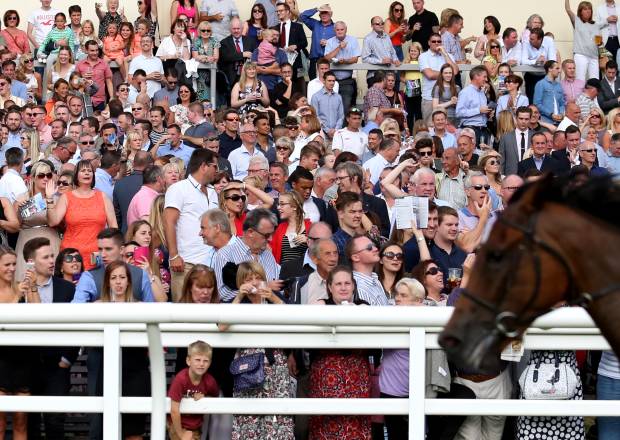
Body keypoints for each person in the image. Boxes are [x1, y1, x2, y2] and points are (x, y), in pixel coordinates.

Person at [221, 261, 292, 439]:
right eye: (248, 279)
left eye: (258, 278)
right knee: (247, 418)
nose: (254, 282)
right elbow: (222, 325)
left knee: (278, 417)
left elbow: (294, 319)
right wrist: (238, 297)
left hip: (275, 364)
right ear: (240, 282)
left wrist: (273, 297)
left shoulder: (275, 298)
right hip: (247, 365)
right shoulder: (235, 302)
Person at [306, 266, 371, 439]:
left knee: (355, 424)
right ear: (329, 287)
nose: (343, 287)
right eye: (338, 284)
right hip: (325, 373)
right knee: (325, 423)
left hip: (356, 375)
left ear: (353, 286)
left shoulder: (363, 307)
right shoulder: (320, 305)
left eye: (347, 283)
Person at [164, 149, 219, 299]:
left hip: (211, 263)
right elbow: (169, 222)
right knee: (184, 315)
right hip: (186, 262)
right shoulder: (178, 188)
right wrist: (174, 255)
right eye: (215, 166)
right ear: (204, 166)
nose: (217, 171)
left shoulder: (213, 191)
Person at [0, 246, 41, 440]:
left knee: (20, 420)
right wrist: (18, 298)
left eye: (14, 264)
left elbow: (39, 315)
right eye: (6, 264)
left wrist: (32, 287)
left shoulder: (20, 285)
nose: (11, 268)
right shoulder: (15, 291)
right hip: (1, 359)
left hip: (23, 359)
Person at [46, 160, 117, 270]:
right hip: (72, 256)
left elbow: (113, 227)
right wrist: (49, 199)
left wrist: (110, 251)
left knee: (95, 286)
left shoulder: (103, 197)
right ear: (76, 175)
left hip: (97, 255)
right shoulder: (66, 197)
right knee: (73, 286)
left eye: (89, 171)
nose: (87, 173)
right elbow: (53, 221)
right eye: (83, 170)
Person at [14, 160, 60, 280]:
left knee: (51, 279)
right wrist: (19, 209)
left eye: (48, 175)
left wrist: (49, 199)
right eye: (41, 176)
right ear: (33, 178)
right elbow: (16, 225)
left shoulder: (56, 198)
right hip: (27, 241)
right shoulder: (22, 197)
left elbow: (53, 221)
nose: (45, 179)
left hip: (50, 241)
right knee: (26, 279)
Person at [168, 340, 219, 440]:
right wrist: (181, 434)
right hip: (177, 424)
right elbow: (174, 410)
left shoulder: (210, 381)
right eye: (197, 360)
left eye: (205, 361)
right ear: (188, 361)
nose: (201, 364)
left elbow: (215, 398)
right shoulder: (181, 379)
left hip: (195, 426)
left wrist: (205, 396)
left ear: (210, 363)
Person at [323, 21, 361, 114]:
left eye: (342, 29)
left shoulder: (353, 40)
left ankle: (343, 127)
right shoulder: (330, 41)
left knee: (346, 106)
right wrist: (339, 47)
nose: (340, 31)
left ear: (346, 30)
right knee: (331, 106)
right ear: (334, 30)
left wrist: (345, 61)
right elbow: (327, 58)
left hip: (347, 80)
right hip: (332, 80)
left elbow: (355, 59)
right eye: (337, 30)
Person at [420, 33, 459, 121]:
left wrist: (445, 54)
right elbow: (429, 74)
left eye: (439, 41)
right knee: (430, 128)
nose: (437, 43)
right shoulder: (423, 56)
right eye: (434, 41)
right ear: (429, 43)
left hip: (449, 99)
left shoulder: (448, 56)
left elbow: (455, 71)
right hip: (429, 98)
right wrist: (447, 73)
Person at [272, 2, 308, 91]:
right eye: (277, 11)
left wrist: (296, 46)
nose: (278, 13)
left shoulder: (297, 26)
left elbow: (304, 42)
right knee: (280, 86)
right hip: (278, 62)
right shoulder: (274, 28)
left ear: (288, 11)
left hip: (293, 62)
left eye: (281, 11)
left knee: (294, 87)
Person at [113, 150, 151, 232]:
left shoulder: (119, 183)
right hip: (147, 235)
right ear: (149, 165)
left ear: (133, 163)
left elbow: (116, 214)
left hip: (125, 233)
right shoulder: (151, 185)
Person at [565, 0, 604, 81]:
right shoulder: (577, 21)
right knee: (580, 80)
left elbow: (599, 43)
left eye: (589, 9)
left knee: (595, 81)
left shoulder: (596, 25)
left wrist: (602, 56)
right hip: (581, 55)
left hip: (594, 57)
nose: (588, 11)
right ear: (580, 11)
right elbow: (568, 9)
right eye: (585, 9)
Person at [218, 18, 258, 91]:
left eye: (238, 28)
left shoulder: (251, 41)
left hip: (248, 75)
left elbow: (256, 55)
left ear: (242, 28)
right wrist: (243, 54)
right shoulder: (224, 42)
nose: (236, 31)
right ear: (230, 29)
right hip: (232, 77)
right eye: (234, 29)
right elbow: (225, 57)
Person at [74, 40, 114, 112]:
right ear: (86, 50)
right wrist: (82, 78)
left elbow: (109, 81)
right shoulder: (80, 64)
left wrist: (111, 97)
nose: (95, 53)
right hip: (84, 99)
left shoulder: (104, 64)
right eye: (92, 50)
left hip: (99, 100)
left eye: (96, 50)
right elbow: (74, 82)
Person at [272, 191, 310, 264]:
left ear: (294, 206)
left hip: (304, 272)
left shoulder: (311, 227)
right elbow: (274, 255)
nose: (278, 207)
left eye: (282, 204)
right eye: (278, 204)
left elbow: (321, 250)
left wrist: (309, 241)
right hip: (284, 272)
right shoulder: (280, 228)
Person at [362, 15, 401, 83]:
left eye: (382, 23)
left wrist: (396, 60)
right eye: (377, 24)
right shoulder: (368, 39)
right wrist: (381, 61)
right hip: (375, 76)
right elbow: (365, 59)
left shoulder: (387, 37)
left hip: (389, 75)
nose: (380, 25)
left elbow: (392, 53)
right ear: (372, 25)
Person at [522, 28, 557, 101]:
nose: (529, 40)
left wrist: (546, 62)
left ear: (540, 39)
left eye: (532, 39)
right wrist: (536, 61)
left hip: (545, 75)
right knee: (532, 100)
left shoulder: (549, 41)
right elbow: (523, 61)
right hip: (531, 76)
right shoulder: (526, 42)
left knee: (546, 100)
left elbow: (553, 60)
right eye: (530, 38)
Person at [533, 60, 565, 126]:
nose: (559, 71)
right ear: (550, 69)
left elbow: (562, 103)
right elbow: (537, 104)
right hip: (546, 121)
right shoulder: (540, 84)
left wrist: (561, 114)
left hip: (559, 122)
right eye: (557, 68)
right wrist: (550, 114)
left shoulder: (559, 85)